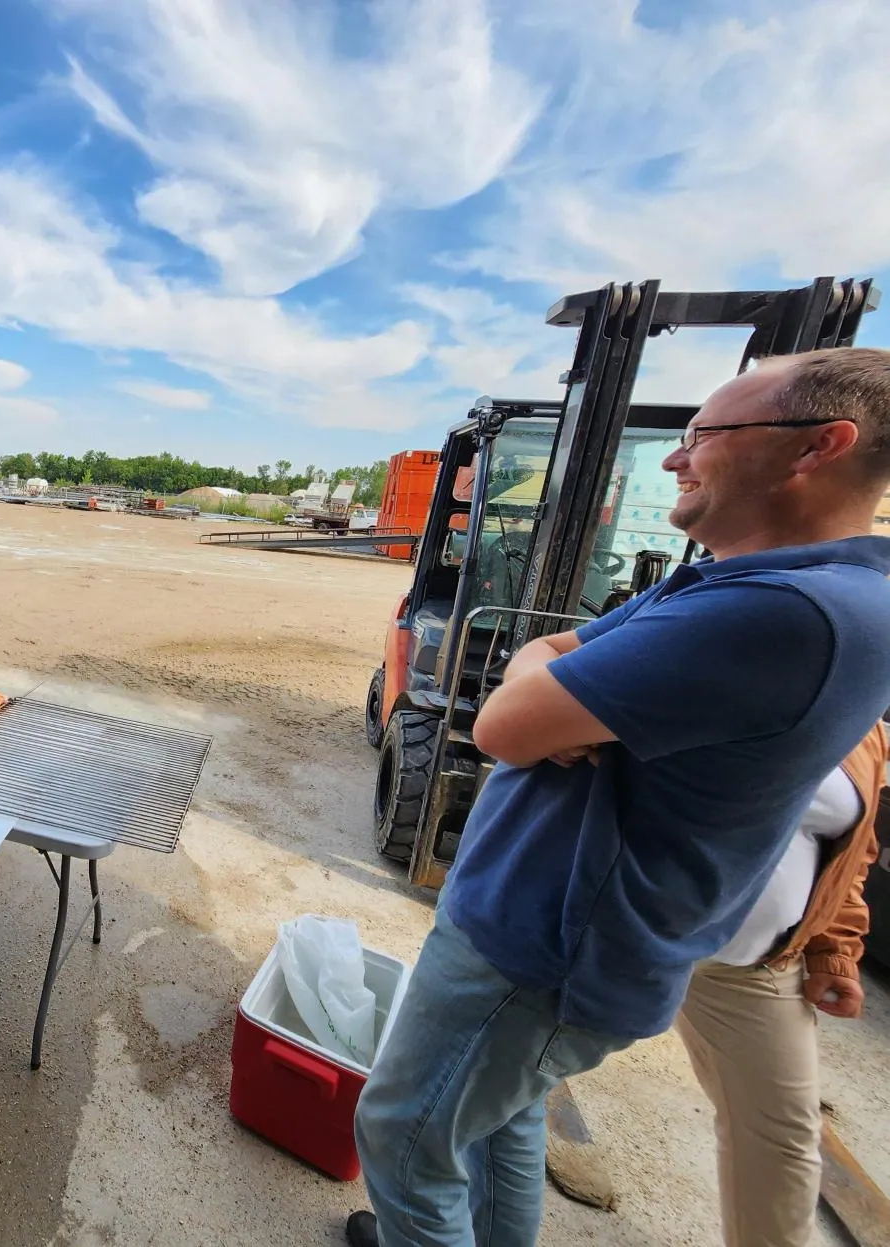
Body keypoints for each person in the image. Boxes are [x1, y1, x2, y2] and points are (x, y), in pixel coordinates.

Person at [345, 348, 890, 1247]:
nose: (677, 459)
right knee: (495, 1121)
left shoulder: (785, 611)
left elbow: (502, 727)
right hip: (549, 929)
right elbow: (550, 654)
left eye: (704, 435)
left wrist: (544, 689)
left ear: (816, 447)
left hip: (542, 944)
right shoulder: (749, 580)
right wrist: (544, 675)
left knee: (403, 1137)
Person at [677, 724, 886, 1247]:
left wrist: (833, 950)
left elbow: (852, 853)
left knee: (783, 1139)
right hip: (622, 936)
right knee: (505, 1078)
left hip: (752, 969)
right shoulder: (702, 650)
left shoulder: (865, 716)